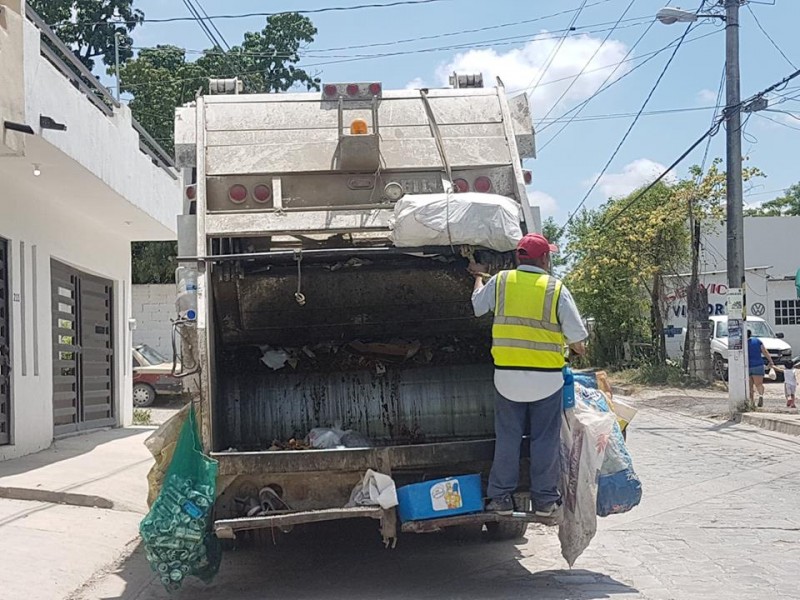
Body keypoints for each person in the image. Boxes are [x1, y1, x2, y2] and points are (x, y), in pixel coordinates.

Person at [470, 233, 588, 518]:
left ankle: (500, 498)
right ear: (545, 259)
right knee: (544, 439)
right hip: (546, 381)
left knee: (508, 438)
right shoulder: (555, 289)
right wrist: (578, 350)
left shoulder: (500, 282)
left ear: (517, 258)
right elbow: (578, 341)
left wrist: (478, 277)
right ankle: (545, 501)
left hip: (507, 379)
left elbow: (477, 307)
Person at [747, 330, 775, 408]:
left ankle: (752, 402)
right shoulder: (757, 341)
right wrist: (771, 361)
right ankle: (760, 395)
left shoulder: (742, 343)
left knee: (750, 386)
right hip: (758, 365)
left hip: (747, 366)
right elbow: (765, 351)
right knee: (759, 384)